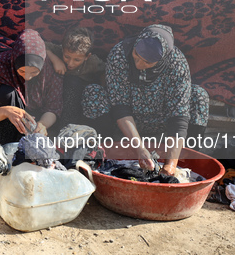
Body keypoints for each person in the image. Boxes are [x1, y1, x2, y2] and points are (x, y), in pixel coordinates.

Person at [82, 24, 209, 176]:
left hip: (161, 124)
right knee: (92, 94)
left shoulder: (177, 63)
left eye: (147, 62)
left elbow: (178, 118)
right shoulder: (120, 53)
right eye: (136, 55)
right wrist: (140, 149)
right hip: (125, 124)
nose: (139, 64)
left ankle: (183, 161)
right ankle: (107, 152)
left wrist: (170, 166)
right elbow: (120, 107)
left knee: (199, 96)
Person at [0, 29, 63, 145]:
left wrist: (42, 125)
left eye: (34, 72)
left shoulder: (50, 69)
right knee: (6, 93)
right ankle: (10, 145)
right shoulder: (1, 64)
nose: (27, 77)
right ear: (14, 61)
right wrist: (5, 111)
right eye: (22, 71)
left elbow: (53, 108)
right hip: (8, 117)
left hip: (38, 117)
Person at [45, 27, 105, 132]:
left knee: (72, 82)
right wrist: (55, 59)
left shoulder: (93, 62)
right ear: (62, 50)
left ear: (87, 56)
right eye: (67, 57)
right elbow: (39, 45)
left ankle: (67, 131)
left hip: (80, 99)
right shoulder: (58, 51)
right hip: (58, 98)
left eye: (77, 60)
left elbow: (105, 71)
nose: (70, 63)